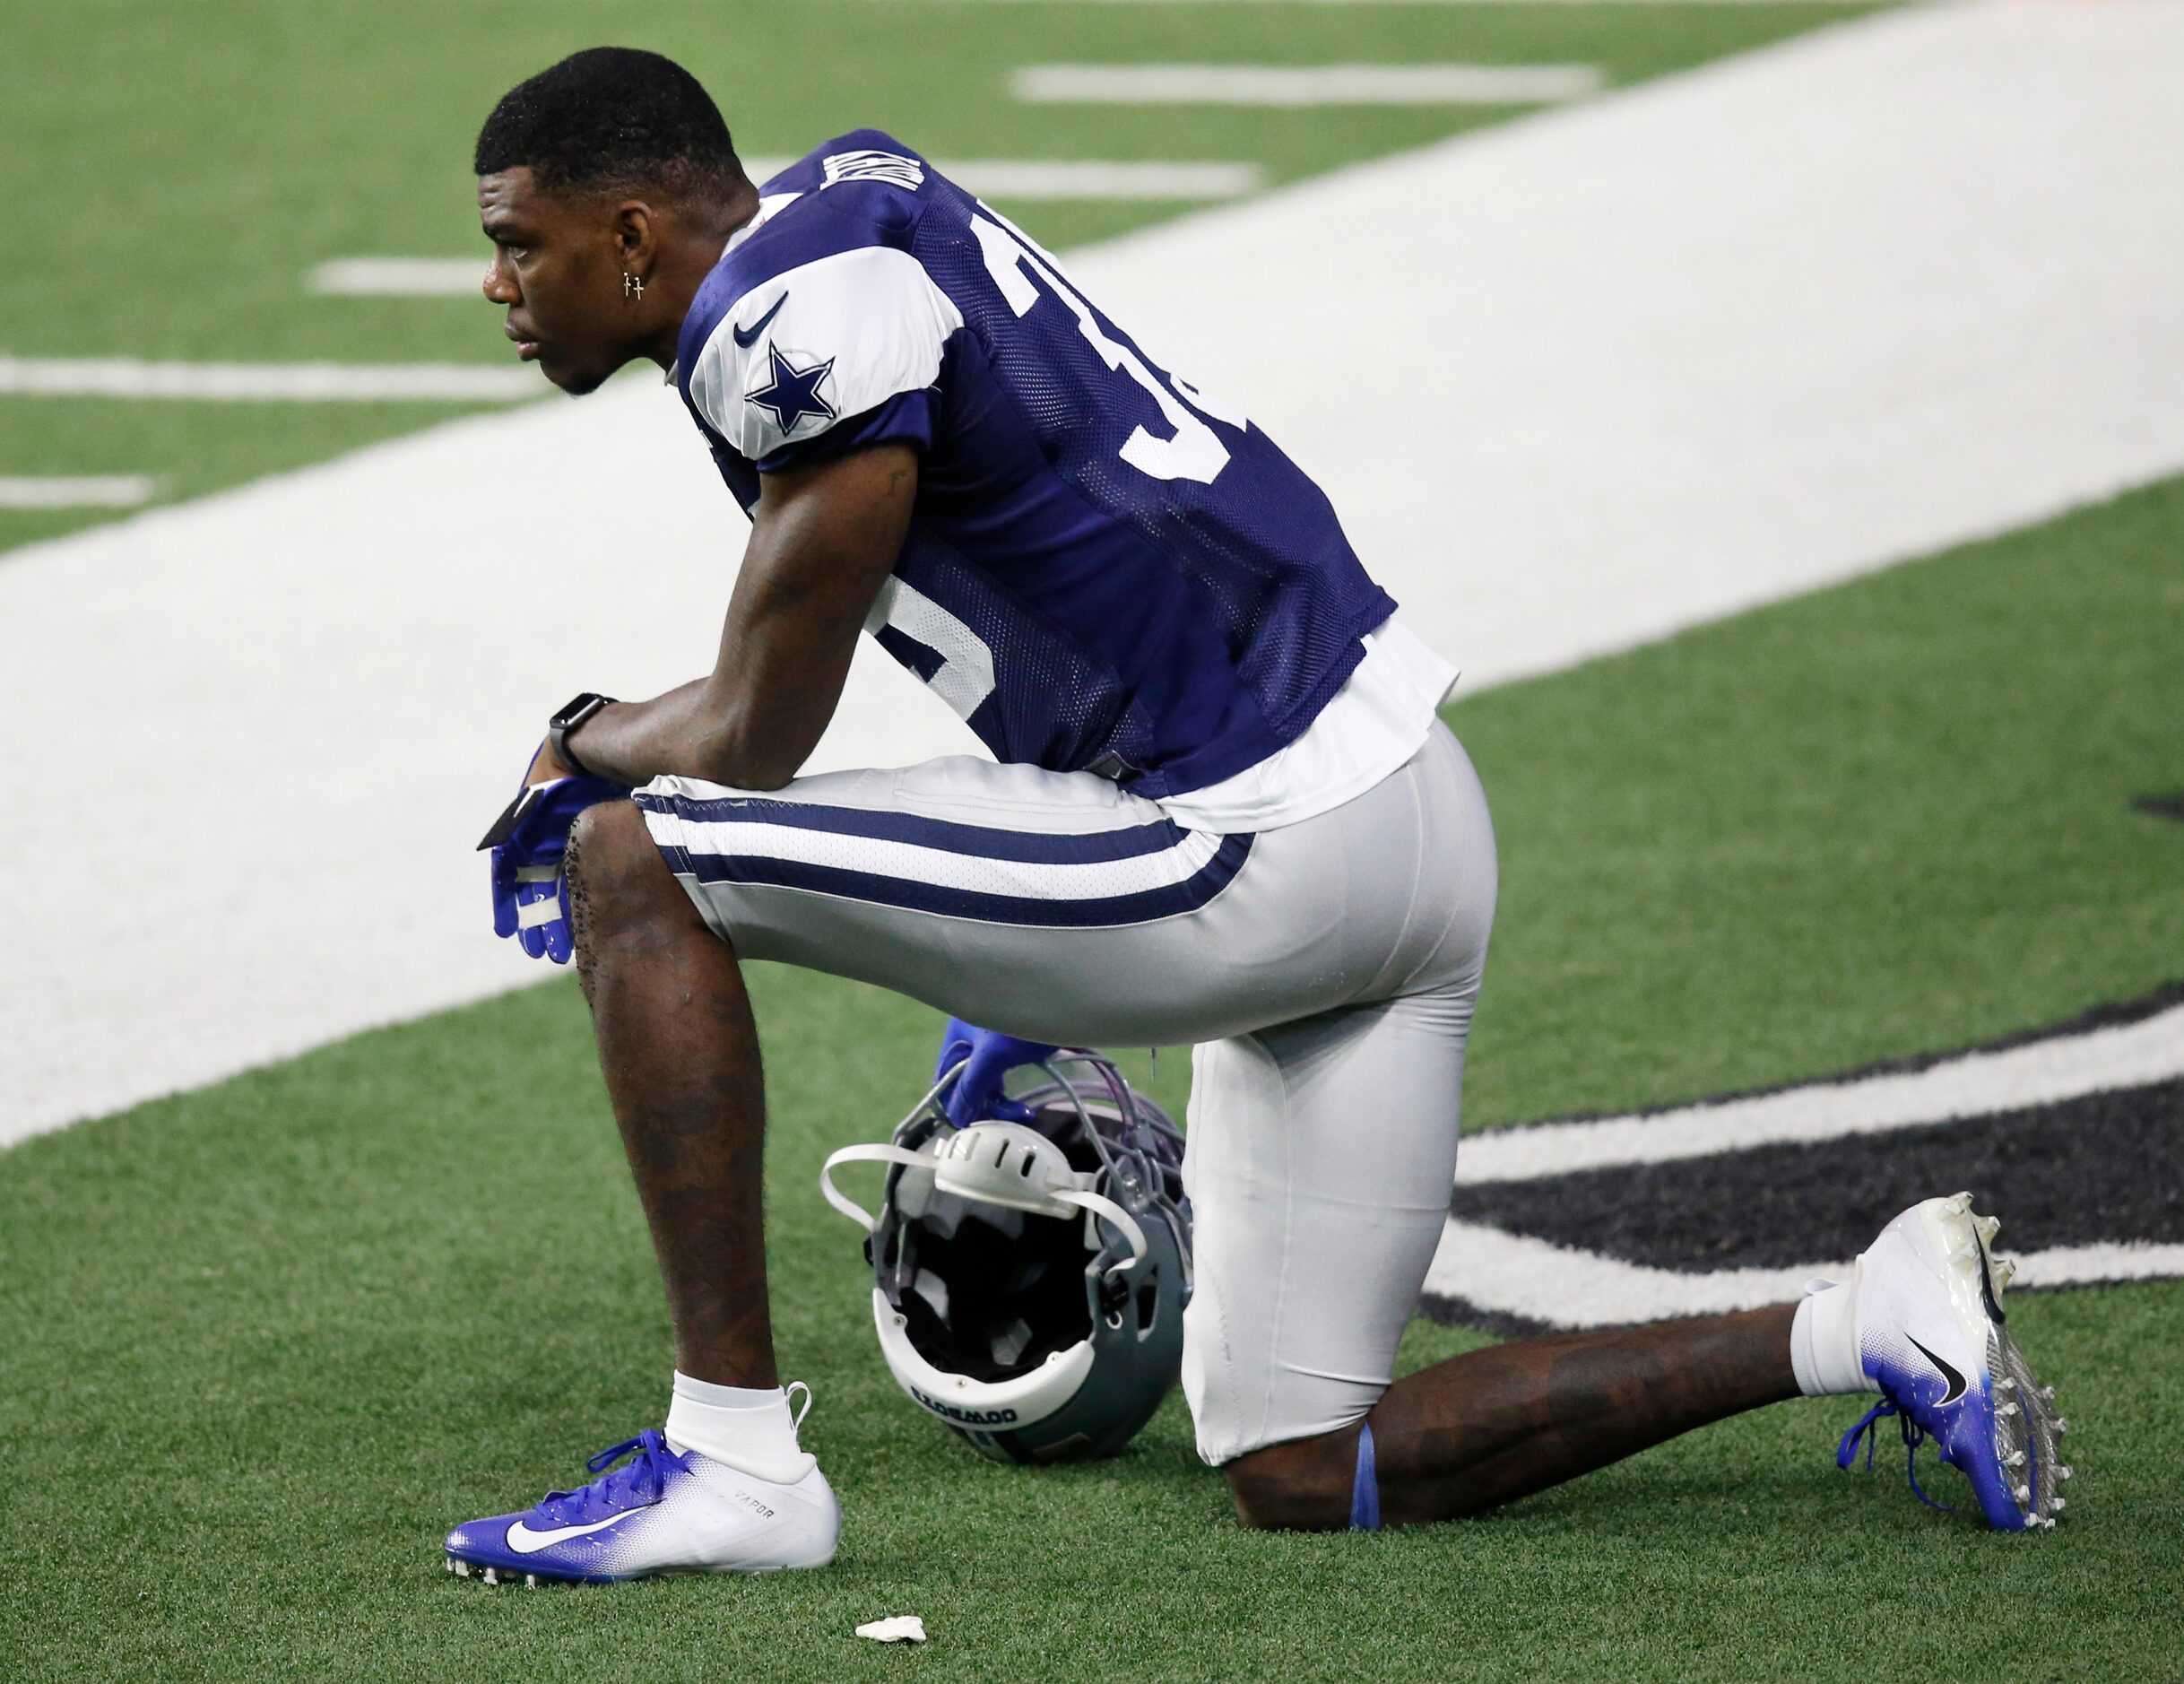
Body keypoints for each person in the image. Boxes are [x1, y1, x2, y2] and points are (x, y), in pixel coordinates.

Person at [444, 48, 2060, 1585]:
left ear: (636, 235)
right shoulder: (858, 190)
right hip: (1408, 810)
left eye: (521, 245)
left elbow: (750, 736)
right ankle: (1866, 1325)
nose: (501, 288)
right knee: (1304, 1461)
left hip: (1257, 845)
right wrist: (1001, 993)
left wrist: (579, 740)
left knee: (635, 853)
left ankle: (735, 1466)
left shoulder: (780, 323)